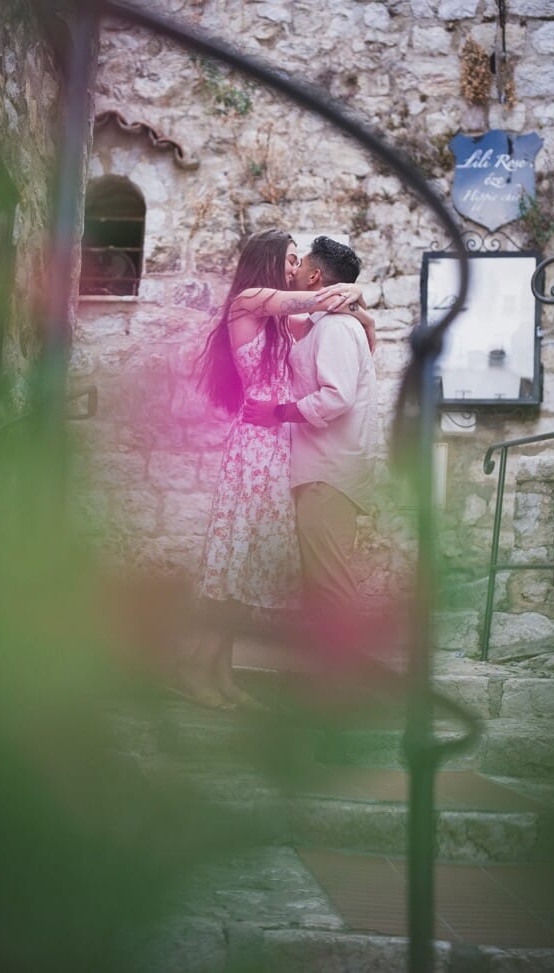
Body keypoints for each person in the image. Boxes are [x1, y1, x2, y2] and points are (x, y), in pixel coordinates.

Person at [187, 230, 371, 709]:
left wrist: (359, 297)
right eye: (290, 260)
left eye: (298, 262)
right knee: (235, 565)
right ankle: (200, 675)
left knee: (245, 568)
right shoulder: (249, 301)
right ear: (268, 261)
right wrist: (353, 289)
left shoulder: (282, 323)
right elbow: (323, 296)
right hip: (255, 446)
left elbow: (342, 317)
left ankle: (221, 679)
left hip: (276, 446)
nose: (294, 269)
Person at [242, 236, 377, 637]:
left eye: (299, 265)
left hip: (327, 475)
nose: (293, 270)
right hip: (324, 473)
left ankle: (345, 689)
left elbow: (336, 398)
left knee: (331, 586)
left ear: (315, 276)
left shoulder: (334, 326)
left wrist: (276, 413)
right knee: (322, 584)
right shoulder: (323, 324)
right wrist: (363, 307)